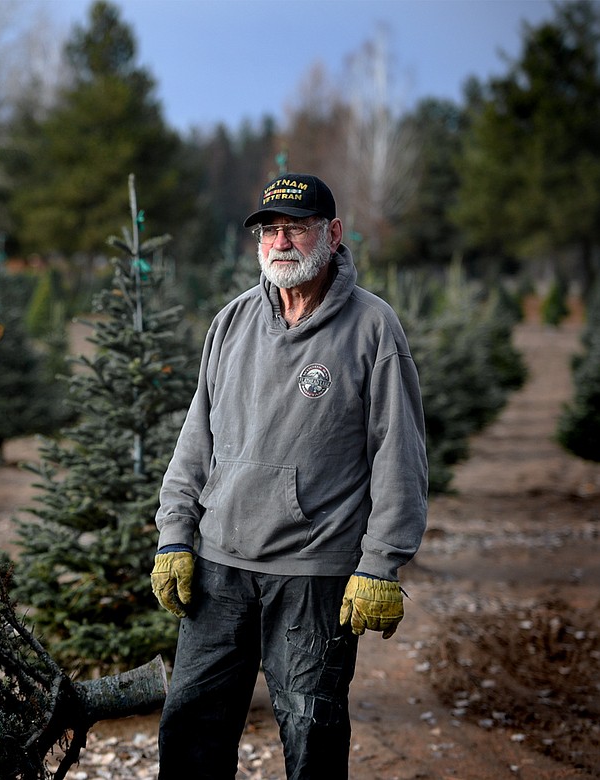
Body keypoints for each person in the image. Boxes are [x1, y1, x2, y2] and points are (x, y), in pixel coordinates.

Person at [150, 172, 428, 779]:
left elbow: (399, 456)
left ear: (331, 233)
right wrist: (175, 536)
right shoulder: (232, 322)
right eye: (270, 230)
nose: (280, 242)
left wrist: (380, 563)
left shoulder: (373, 328)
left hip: (313, 573)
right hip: (220, 568)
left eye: (296, 228)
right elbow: (196, 440)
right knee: (191, 727)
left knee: (311, 734)